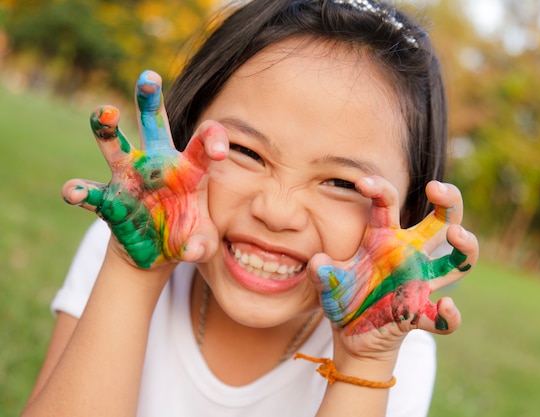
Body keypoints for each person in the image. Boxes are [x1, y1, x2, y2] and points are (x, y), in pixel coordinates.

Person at [22, 0, 479, 416]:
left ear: (410, 210)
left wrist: (365, 362)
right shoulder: (125, 240)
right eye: (244, 151)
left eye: (342, 182)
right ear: (184, 135)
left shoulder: (393, 343)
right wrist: (133, 274)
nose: (277, 213)